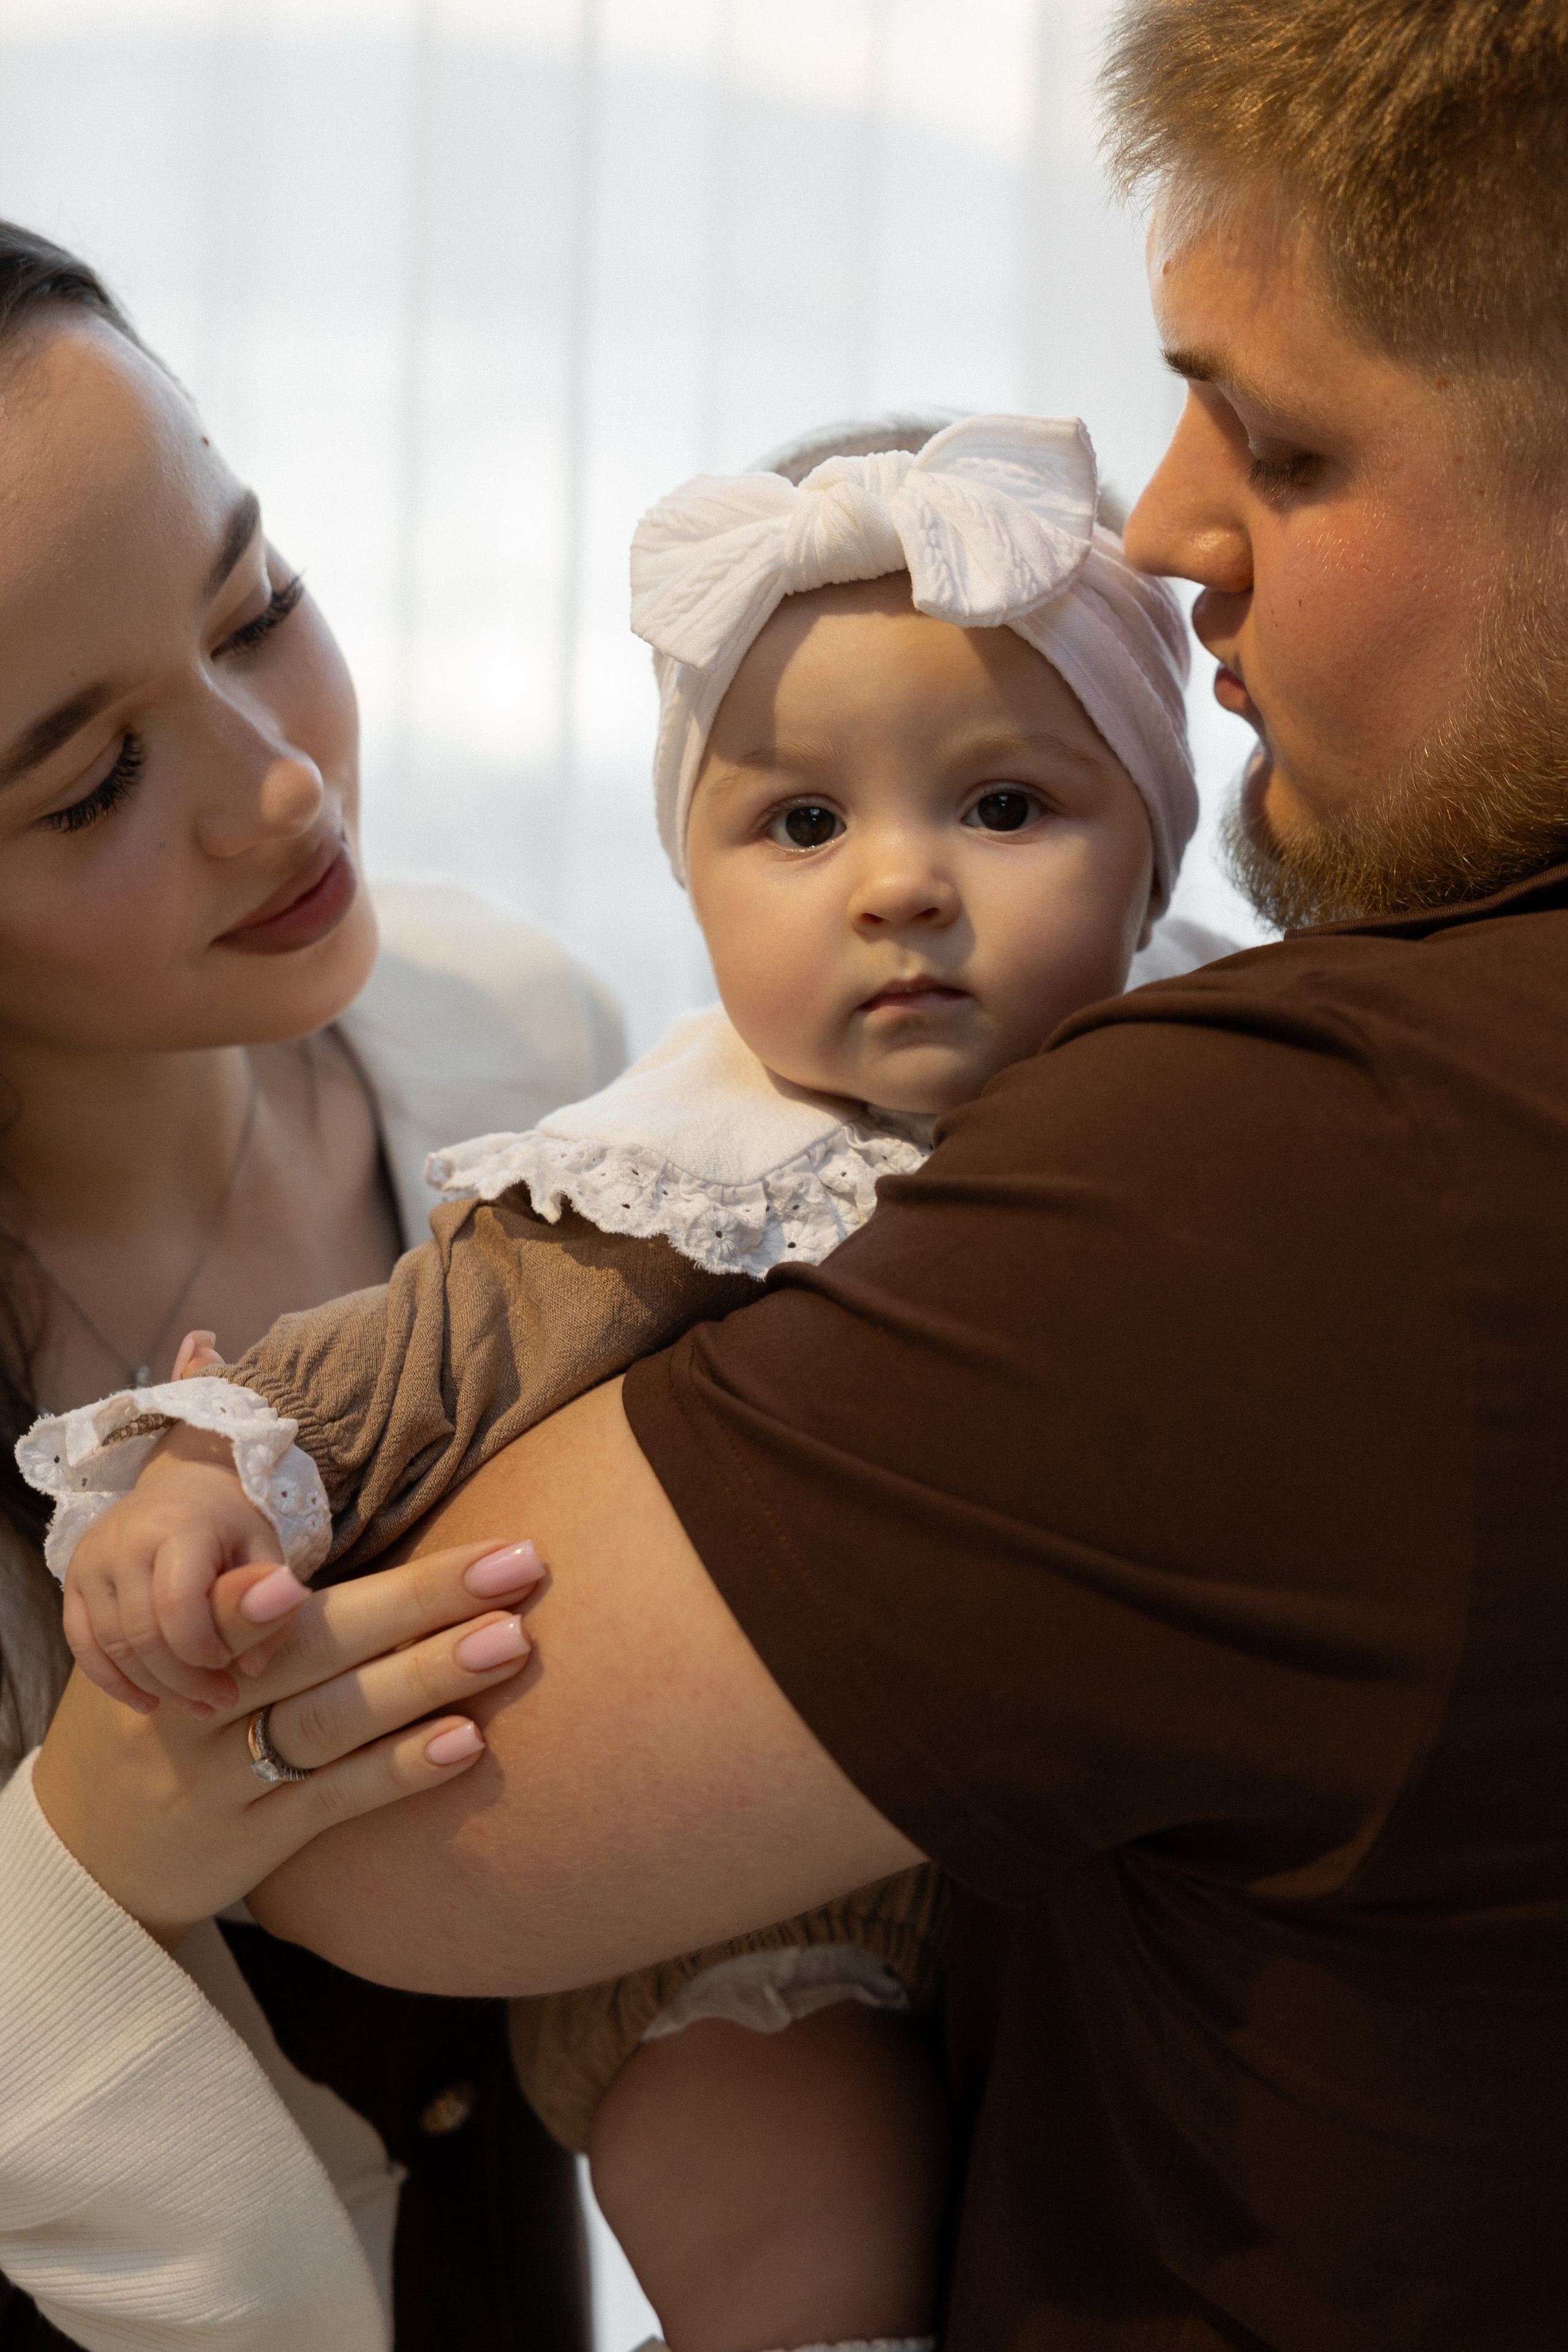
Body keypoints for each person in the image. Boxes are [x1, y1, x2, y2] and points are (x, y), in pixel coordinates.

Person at [40, 407, 1222, 2352]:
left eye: (1007, 809)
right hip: (756, 1929)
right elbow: (404, 1363)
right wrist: (202, 1486)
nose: (901, 886)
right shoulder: (676, 1175)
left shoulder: (1217, 1080)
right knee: (803, 2241)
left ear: (1159, 832)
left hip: (1100, 1861)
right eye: (802, 823)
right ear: (689, 874)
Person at [0, 222, 621, 2350]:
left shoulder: (522, 1060)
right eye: (89, 784)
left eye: (257, 606)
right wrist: (74, 1870)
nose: (278, 784)